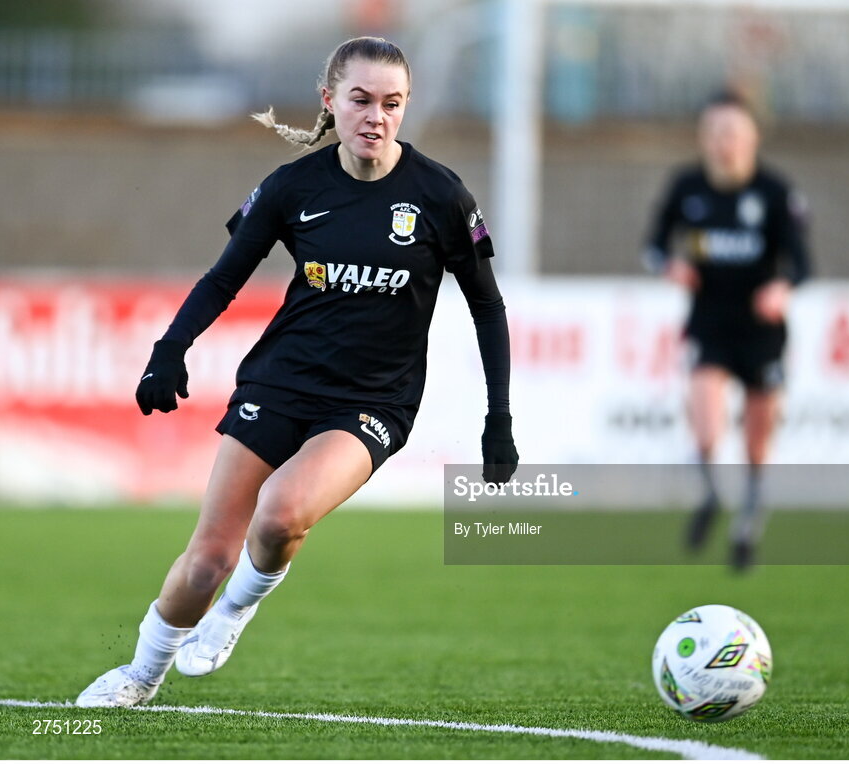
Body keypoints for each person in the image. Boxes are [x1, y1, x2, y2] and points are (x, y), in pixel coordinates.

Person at [76, 36, 518, 708]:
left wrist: (499, 419)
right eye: (361, 99)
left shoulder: (441, 197)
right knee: (206, 561)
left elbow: (488, 307)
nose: (376, 116)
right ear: (330, 101)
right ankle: (139, 676)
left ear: (406, 108)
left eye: (392, 103)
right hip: (279, 383)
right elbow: (224, 278)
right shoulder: (293, 187)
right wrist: (170, 349)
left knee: (281, 515)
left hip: (373, 401)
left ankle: (234, 614)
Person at [643, 90, 810, 571]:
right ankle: (712, 497)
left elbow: (802, 264)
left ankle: (748, 525)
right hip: (709, 324)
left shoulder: (776, 193)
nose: (724, 142)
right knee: (707, 424)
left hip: (761, 331)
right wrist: (669, 265)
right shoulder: (687, 187)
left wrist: (782, 287)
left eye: (733, 132)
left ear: (752, 137)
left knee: (758, 442)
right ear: (704, 137)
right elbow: (652, 244)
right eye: (715, 132)